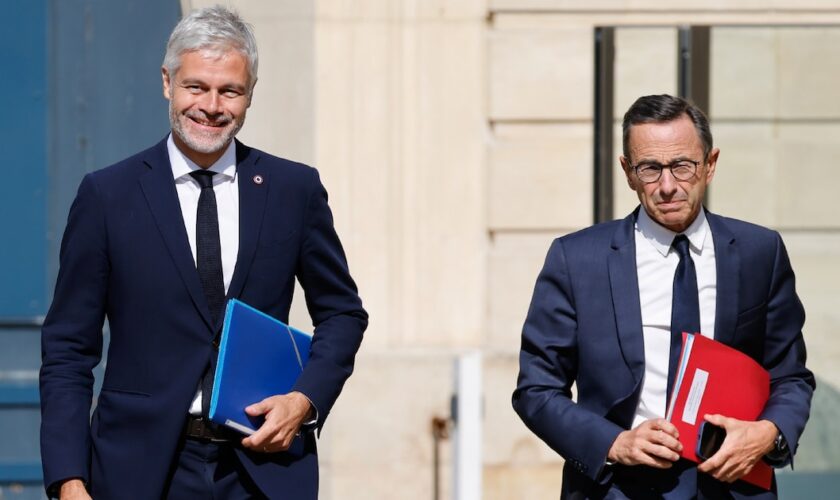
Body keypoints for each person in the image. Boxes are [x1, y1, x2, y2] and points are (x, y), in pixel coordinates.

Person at [39, 6, 367, 499]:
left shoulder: (293, 190)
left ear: (250, 95)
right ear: (167, 82)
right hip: (140, 474)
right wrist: (69, 478)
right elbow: (68, 348)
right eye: (196, 86)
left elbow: (342, 313)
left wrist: (305, 400)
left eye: (229, 90)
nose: (211, 105)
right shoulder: (108, 196)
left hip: (264, 469)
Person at [512, 94, 814, 498]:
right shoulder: (576, 260)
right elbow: (536, 389)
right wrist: (614, 443)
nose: (668, 186)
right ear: (628, 172)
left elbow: (790, 376)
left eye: (682, 166)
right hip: (618, 489)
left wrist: (768, 433)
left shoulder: (761, 252)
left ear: (710, 164)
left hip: (734, 487)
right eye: (650, 168)